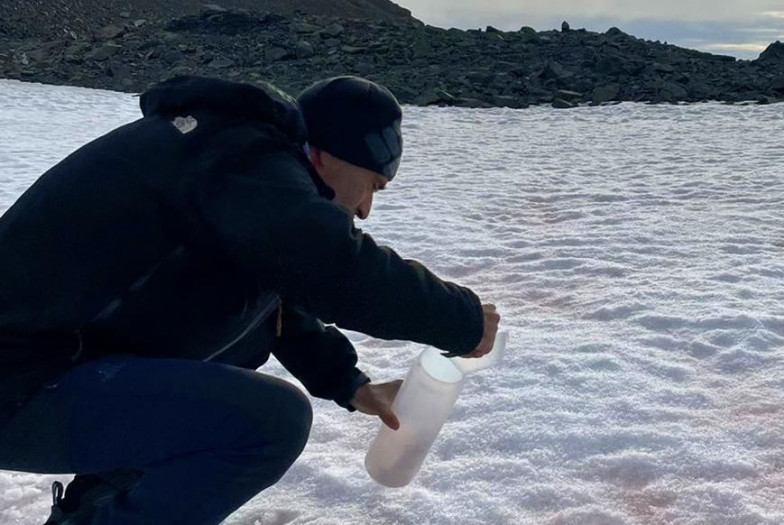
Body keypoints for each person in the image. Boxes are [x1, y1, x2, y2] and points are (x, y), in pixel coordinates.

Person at [0, 75, 501, 524]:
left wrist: (347, 384)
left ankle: (97, 510)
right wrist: (462, 320)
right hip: (20, 382)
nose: (367, 209)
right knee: (266, 422)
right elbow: (325, 263)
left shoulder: (229, 160)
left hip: (37, 368)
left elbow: (272, 290)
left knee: (226, 358)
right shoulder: (239, 156)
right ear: (327, 155)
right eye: (373, 184)